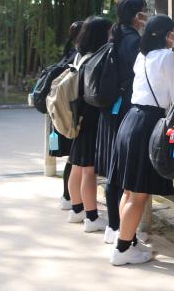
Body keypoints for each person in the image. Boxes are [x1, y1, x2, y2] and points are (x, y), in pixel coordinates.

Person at [107, 14, 174, 266]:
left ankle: (127, 239)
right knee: (138, 194)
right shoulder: (167, 56)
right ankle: (122, 249)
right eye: (172, 32)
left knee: (129, 191)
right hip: (150, 123)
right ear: (163, 34)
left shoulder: (143, 56)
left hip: (131, 120)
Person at [95, 0, 148, 245]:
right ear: (137, 16)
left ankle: (114, 226)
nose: (147, 16)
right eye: (145, 12)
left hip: (110, 110)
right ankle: (123, 233)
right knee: (122, 175)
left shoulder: (116, 35)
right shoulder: (133, 41)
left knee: (113, 172)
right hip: (125, 109)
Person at [67, 16, 112, 235]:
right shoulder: (96, 58)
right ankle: (91, 216)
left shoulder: (80, 56)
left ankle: (77, 209)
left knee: (77, 166)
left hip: (79, 117)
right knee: (89, 170)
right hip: (91, 119)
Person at [54, 20, 84, 211]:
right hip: (73, 114)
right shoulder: (78, 55)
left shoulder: (70, 52)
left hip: (65, 112)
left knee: (72, 159)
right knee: (75, 159)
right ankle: (70, 198)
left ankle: (68, 197)